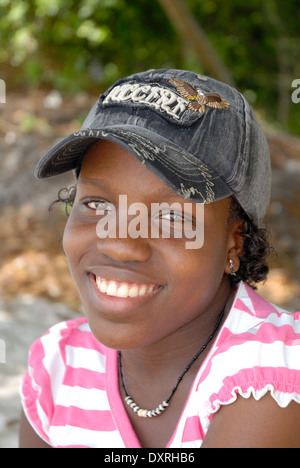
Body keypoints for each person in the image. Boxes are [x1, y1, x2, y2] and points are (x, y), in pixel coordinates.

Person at [19, 69, 300, 448]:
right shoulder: (57, 366)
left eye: (171, 217)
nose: (119, 244)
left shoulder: (274, 371)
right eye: (97, 204)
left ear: (234, 244)